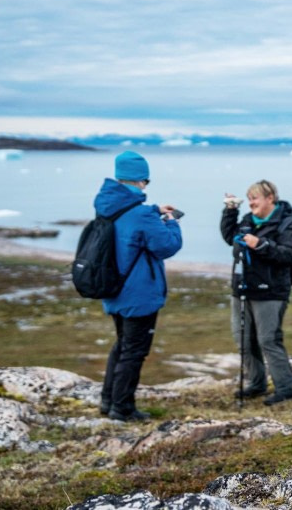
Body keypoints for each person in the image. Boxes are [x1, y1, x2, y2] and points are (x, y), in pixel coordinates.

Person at [97, 151, 183, 422]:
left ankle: (108, 400)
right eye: (146, 180)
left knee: (121, 345)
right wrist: (172, 222)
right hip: (140, 294)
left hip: (114, 290)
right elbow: (167, 246)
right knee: (134, 351)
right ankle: (122, 408)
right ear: (140, 180)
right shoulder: (142, 215)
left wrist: (153, 210)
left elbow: (130, 224)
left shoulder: (108, 206)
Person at [220, 180, 292, 405]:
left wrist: (261, 245)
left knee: (268, 340)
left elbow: (289, 255)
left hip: (271, 293)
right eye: (249, 199)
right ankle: (256, 384)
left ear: (270, 198)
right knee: (243, 339)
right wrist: (230, 211)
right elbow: (230, 237)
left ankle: (285, 390)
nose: (251, 203)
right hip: (243, 290)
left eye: (255, 198)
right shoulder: (248, 222)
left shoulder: (286, 226)